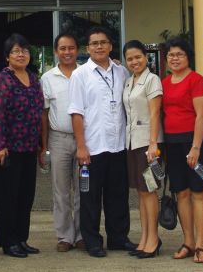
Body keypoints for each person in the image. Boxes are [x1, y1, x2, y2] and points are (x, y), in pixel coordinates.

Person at [67, 25, 136, 258]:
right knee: (90, 197)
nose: (99, 46)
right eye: (94, 43)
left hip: (117, 145)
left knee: (118, 196)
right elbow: (76, 112)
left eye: (103, 42)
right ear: (88, 48)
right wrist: (81, 146)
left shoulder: (122, 72)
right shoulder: (79, 75)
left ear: (110, 45)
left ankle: (118, 237)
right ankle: (92, 241)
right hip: (93, 146)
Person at [0, 33, 45, 258]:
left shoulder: (33, 78)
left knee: (25, 196)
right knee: (8, 197)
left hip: (30, 147)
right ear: (7, 57)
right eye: (15, 51)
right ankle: (8, 241)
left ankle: (22, 238)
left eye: (24, 50)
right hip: (8, 149)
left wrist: (41, 145)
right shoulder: (3, 79)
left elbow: (39, 113)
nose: (21, 54)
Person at [161, 37, 203, 264]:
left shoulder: (196, 80)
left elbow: (201, 115)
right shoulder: (164, 82)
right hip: (172, 144)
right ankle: (188, 242)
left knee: (198, 192)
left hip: (194, 144)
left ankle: (202, 244)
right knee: (181, 192)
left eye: (179, 54)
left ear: (188, 57)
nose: (174, 58)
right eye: (171, 55)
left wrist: (195, 147)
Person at [39, 33, 84, 252]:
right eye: (63, 48)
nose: (67, 52)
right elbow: (44, 115)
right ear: (56, 51)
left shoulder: (86, 73)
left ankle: (83, 233)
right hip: (59, 139)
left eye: (71, 48)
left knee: (84, 188)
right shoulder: (48, 78)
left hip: (85, 140)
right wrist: (44, 146)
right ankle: (65, 236)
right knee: (61, 190)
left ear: (78, 49)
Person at [122, 40, 164, 259]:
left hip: (147, 145)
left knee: (150, 191)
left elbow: (155, 113)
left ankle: (153, 239)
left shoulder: (152, 79)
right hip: (132, 143)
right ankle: (145, 237)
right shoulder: (129, 82)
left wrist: (153, 143)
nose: (134, 61)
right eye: (130, 58)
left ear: (146, 57)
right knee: (141, 192)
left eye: (138, 57)